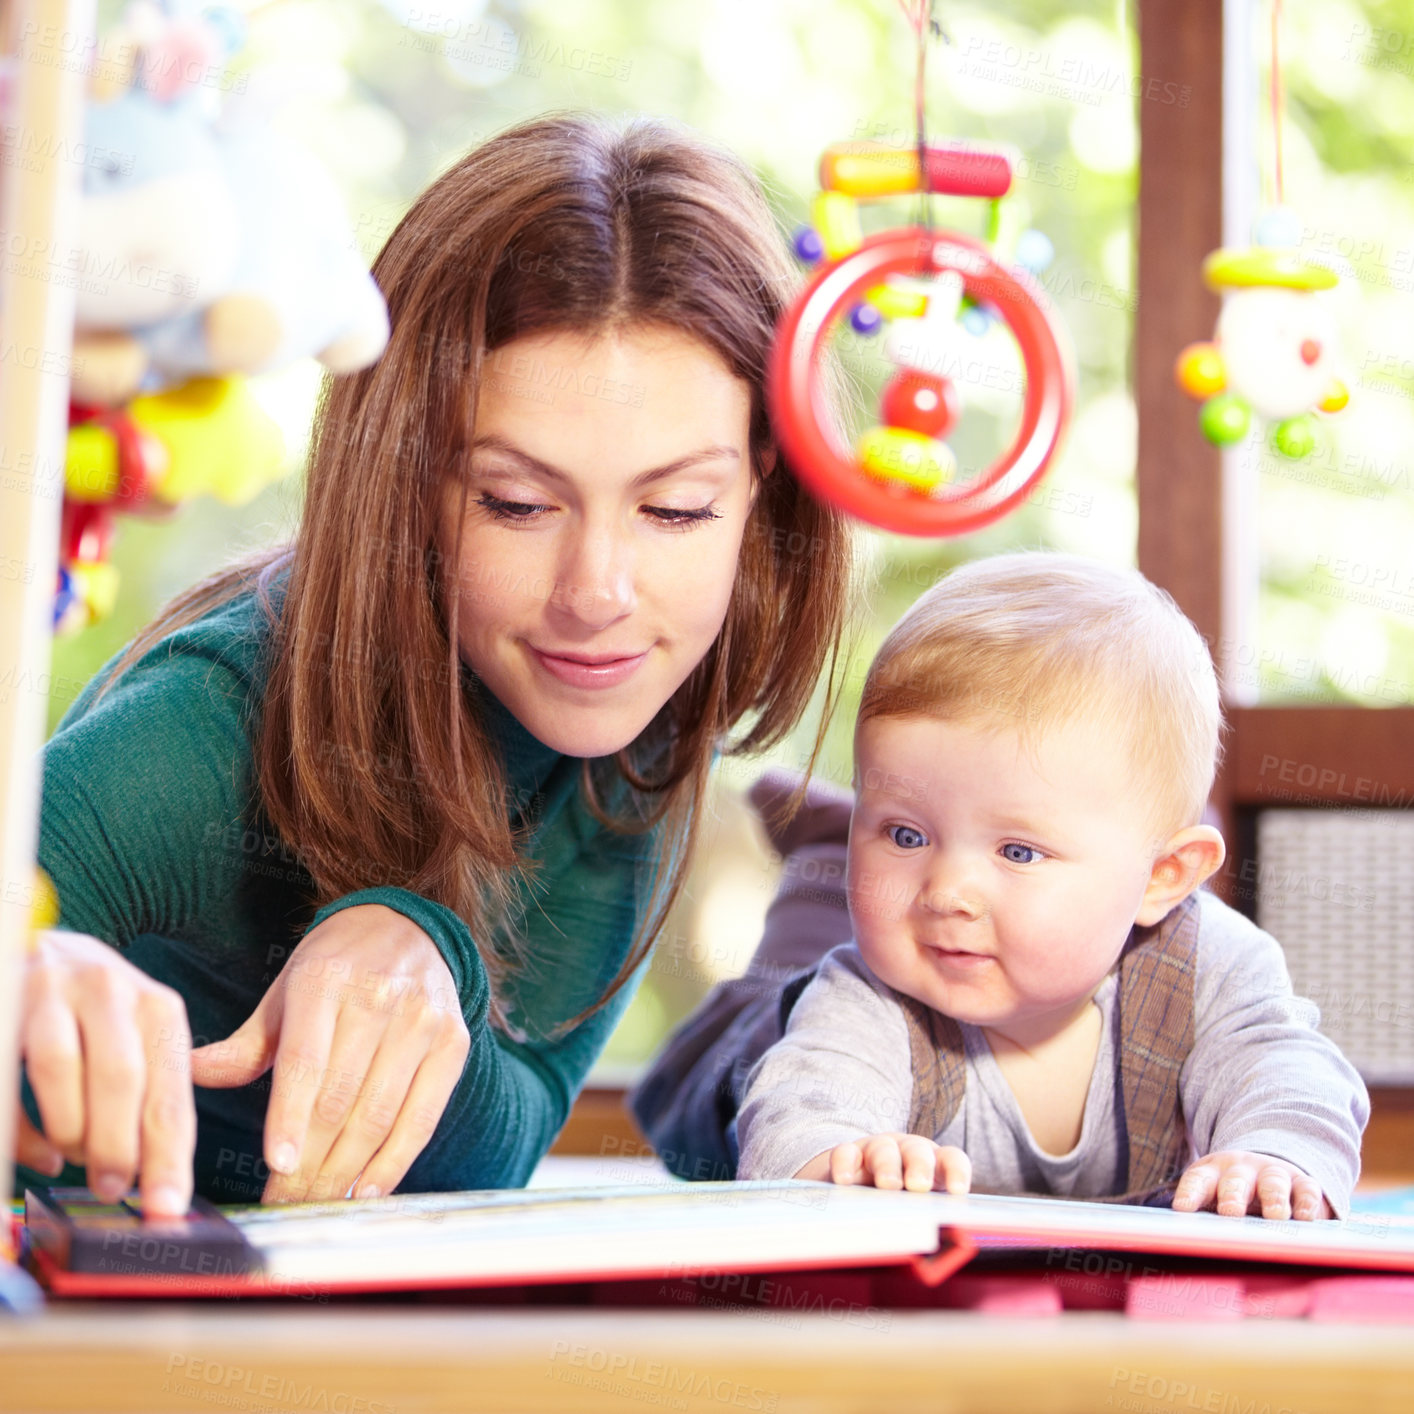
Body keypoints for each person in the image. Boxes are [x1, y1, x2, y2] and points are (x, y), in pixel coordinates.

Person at [15, 111, 855, 1216]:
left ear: (761, 493)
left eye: (675, 508)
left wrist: (425, 947)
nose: (596, 590)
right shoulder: (209, 725)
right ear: (407, 487)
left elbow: (503, 1138)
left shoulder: (629, 708)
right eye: (514, 501)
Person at [639, 552, 1370, 1219]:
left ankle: (853, 839)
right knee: (743, 1043)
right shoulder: (871, 998)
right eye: (905, 833)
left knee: (892, 888)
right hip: (754, 1041)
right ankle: (830, 855)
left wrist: (1278, 1155)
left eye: (1018, 851)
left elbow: (1285, 1073)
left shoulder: (1211, 968)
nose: (949, 890)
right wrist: (839, 1156)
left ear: (1162, 879)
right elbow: (800, 1104)